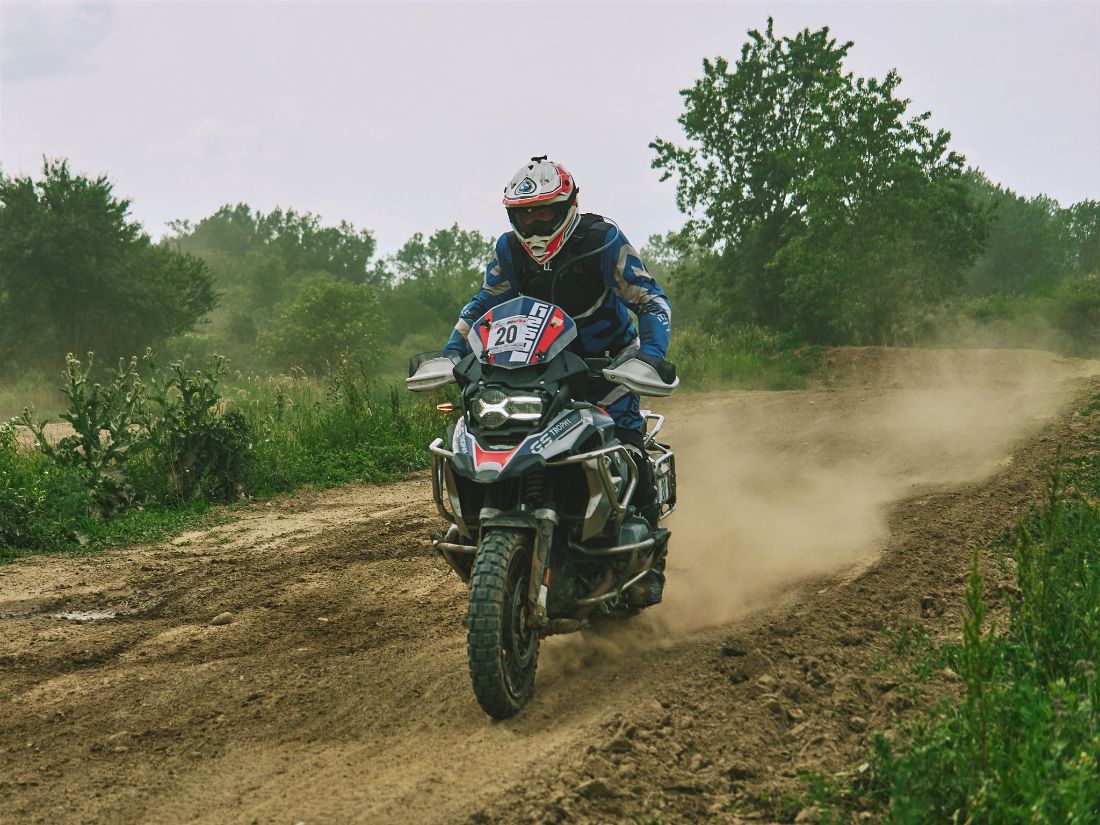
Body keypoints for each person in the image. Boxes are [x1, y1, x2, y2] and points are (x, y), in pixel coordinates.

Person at [442, 156, 673, 605]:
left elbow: (650, 299)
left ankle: (647, 563)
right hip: (534, 373)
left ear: (568, 205)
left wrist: (650, 357)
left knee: (628, 449)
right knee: (492, 436)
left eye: (544, 210)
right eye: (523, 214)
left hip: (604, 370)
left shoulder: (602, 241)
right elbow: (482, 305)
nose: (534, 222)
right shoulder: (508, 250)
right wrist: (453, 352)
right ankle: (484, 530)